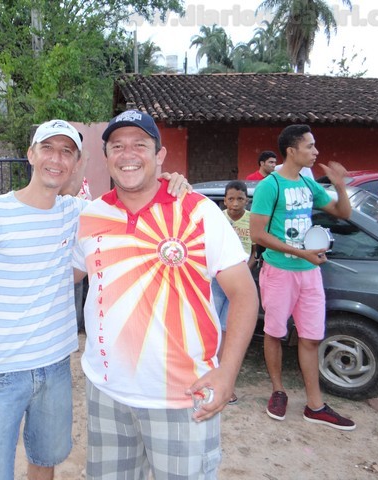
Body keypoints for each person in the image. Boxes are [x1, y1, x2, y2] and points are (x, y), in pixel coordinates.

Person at [0, 119, 190, 480]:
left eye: (66, 152)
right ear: (31, 154)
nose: (56, 159)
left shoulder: (79, 213)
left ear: (76, 163)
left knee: (46, 460)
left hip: (56, 365)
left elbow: (130, 203)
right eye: (47, 148)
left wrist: (171, 181)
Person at [72, 110, 259, 479]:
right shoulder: (92, 215)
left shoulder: (199, 212)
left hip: (182, 398)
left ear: (159, 155)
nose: (128, 154)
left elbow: (244, 295)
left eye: (140, 145)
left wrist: (227, 373)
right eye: (117, 146)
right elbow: (67, 275)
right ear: (106, 158)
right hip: (106, 393)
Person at [250, 124, 357, 431]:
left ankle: (315, 405)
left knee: (311, 337)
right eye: (310, 146)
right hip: (279, 272)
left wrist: (339, 186)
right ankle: (278, 391)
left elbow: (343, 213)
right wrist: (300, 253)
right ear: (291, 151)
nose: (316, 151)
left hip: (310, 274)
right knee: (274, 333)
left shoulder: (309, 185)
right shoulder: (270, 185)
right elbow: (257, 234)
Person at [211, 180, 257, 404]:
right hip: (216, 280)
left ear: (247, 200)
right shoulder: (217, 218)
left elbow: (254, 252)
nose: (235, 203)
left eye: (240, 199)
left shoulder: (251, 220)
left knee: (228, 327)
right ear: (225, 201)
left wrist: (244, 273)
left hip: (239, 283)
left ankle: (223, 375)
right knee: (212, 324)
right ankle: (210, 370)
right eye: (231, 199)